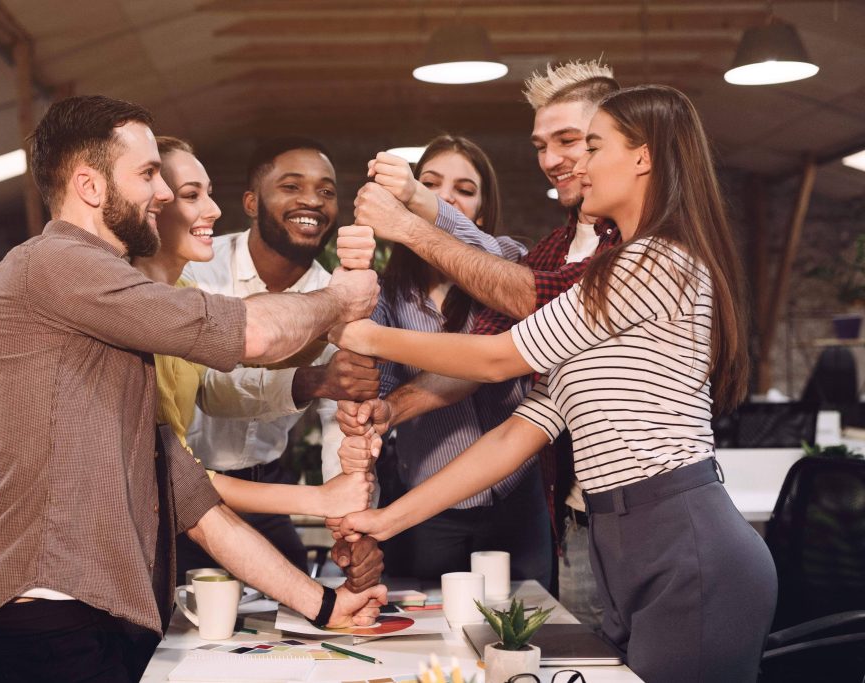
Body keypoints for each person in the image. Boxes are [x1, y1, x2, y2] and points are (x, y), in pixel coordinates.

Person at [330, 85, 777, 683]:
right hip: (622, 539)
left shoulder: (658, 261)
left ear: (643, 157)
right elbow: (517, 433)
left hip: (682, 536)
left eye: (593, 146)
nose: (577, 166)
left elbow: (496, 359)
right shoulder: (607, 268)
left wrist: (364, 334)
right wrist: (388, 521)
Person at [0, 95, 385, 683]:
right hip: (38, 615)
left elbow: (193, 501)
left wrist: (324, 605)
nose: (165, 192)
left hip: (87, 616)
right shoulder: (56, 264)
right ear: (90, 186)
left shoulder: (105, 320)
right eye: (149, 174)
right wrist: (340, 298)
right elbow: (247, 333)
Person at [338, 60, 622, 624]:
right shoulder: (394, 288)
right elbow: (457, 377)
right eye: (544, 144)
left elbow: (499, 350)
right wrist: (375, 407)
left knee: (537, 631)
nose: (552, 158)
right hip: (443, 495)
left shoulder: (537, 261)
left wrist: (417, 209)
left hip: (531, 495)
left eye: (462, 192)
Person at [134, 135, 383, 590]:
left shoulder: (335, 294)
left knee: (298, 614)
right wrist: (311, 380)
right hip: (175, 496)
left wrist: (350, 523)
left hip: (262, 490)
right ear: (251, 201)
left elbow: (338, 425)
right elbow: (216, 383)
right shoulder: (193, 267)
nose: (311, 199)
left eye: (326, 191)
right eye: (291, 186)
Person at [358, 134, 551, 585]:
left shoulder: (510, 259)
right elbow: (378, 391)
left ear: (481, 213)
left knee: (529, 625)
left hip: (517, 495)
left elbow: (496, 356)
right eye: (431, 183)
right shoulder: (385, 293)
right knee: (431, 634)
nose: (444, 197)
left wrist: (418, 200)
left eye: (464, 190)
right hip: (428, 503)